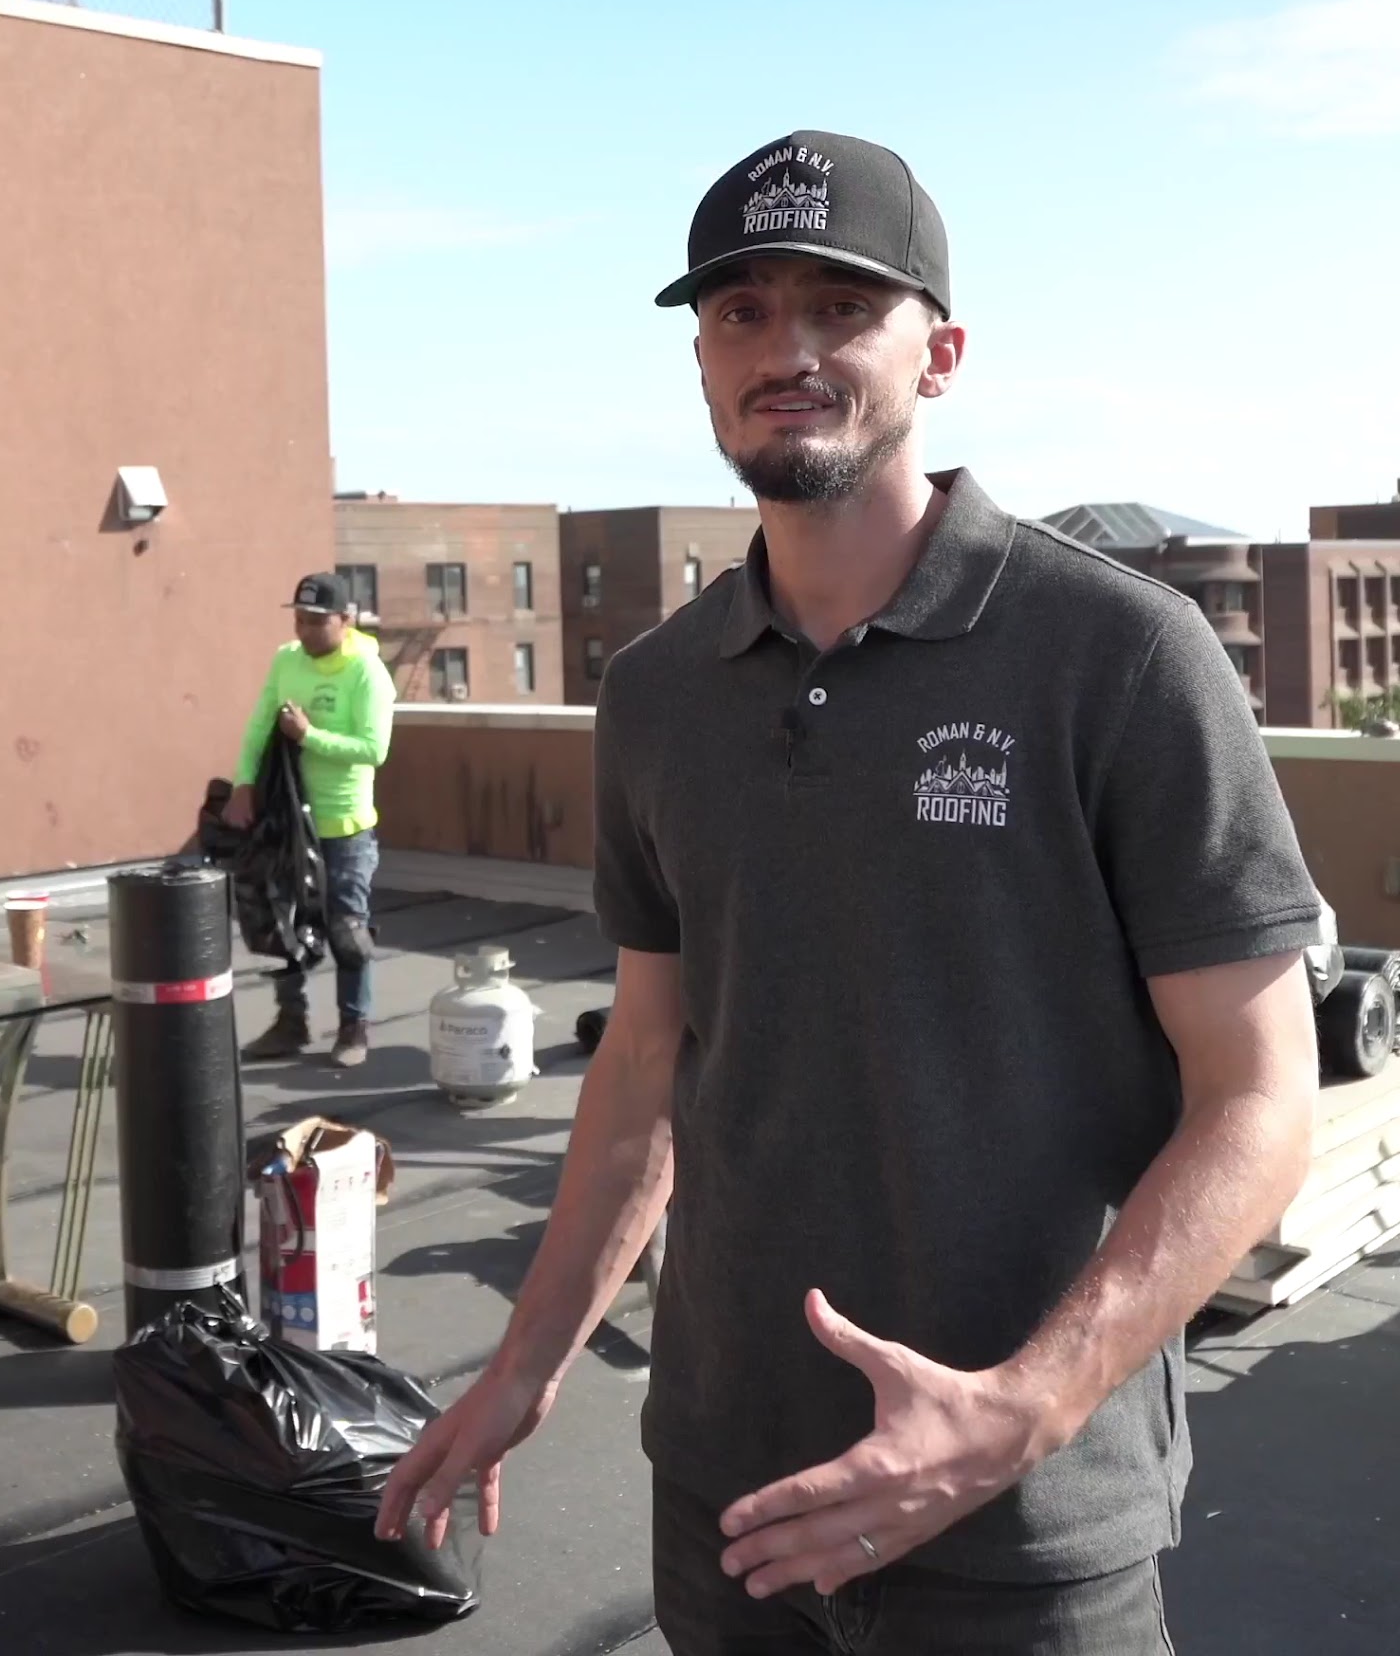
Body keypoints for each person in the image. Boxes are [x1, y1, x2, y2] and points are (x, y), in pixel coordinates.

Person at [377, 130, 1323, 1654]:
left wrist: (1027, 1407)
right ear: (702, 361)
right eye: (741, 312)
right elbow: (646, 1063)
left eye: (842, 306)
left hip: (1019, 1514)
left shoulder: (1119, 654)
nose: (788, 350)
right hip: (727, 1487)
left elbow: (1261, 1094)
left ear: (939, 353)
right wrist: (525, 1364)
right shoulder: (661, 694)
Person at [227, 572, 397, 1067]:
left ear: (345, 620)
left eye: (317, 621)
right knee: (283, 922)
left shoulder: (367, 672)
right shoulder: (286, 659)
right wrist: (243, 784)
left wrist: (308, 736)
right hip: (289, 822)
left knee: (347, 929)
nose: (304, 630)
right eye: (300, 619)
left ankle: (353, 1028)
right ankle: (290, 1022)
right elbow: (259, 724)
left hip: (345, 827)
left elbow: (375, 749)